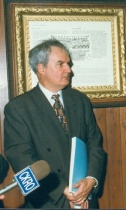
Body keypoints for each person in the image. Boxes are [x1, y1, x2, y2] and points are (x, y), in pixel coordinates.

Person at [4, 39, 106, 208]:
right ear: (41, 68)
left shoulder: (80, 100)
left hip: (86, 198)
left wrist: (91, 181)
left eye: (68, 63)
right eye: (61, 64)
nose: (69, 70)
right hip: (47, 201)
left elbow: (95, 144)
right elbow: (21, 161)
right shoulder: (18, 109)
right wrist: (62, 191)